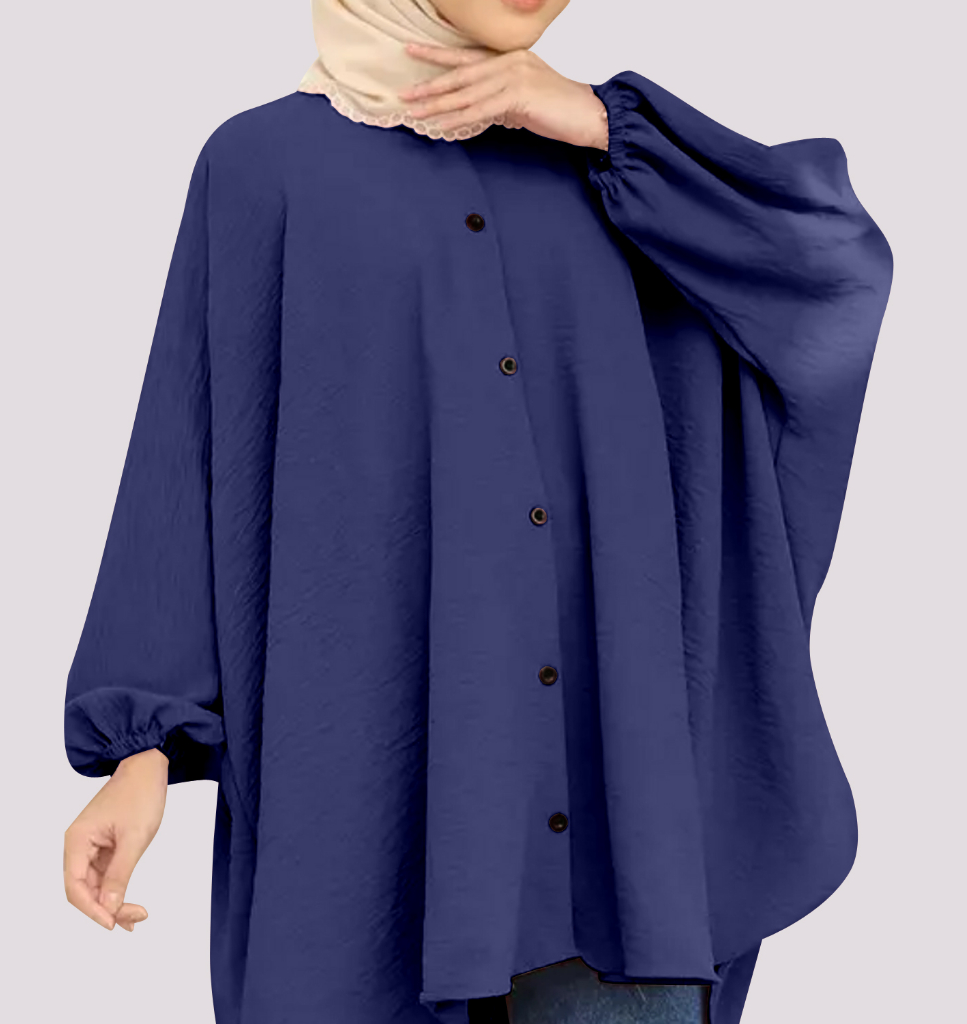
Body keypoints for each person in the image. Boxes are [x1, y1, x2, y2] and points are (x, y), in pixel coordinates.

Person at [62, 2, 893, 1024]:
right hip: (371, 807)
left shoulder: (621, 173)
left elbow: (831, 270)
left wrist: (606, 124)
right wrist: (139, 748)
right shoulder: (264, 168)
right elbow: (191, 451)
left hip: (617, 834)